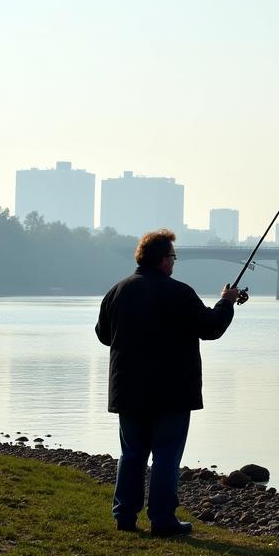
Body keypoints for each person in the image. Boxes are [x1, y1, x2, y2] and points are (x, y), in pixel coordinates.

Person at [96, 229, 247, 536]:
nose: (174, 262)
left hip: (128, 391)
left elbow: (103, 335)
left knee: (132, 454)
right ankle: (162, 520)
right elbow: (212, 327)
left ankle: (125, 517)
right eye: (174, 257)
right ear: (164, 260)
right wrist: (226, 302)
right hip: (171, 393)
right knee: (166, 455)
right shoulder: (179, 293)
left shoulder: (117, 291)